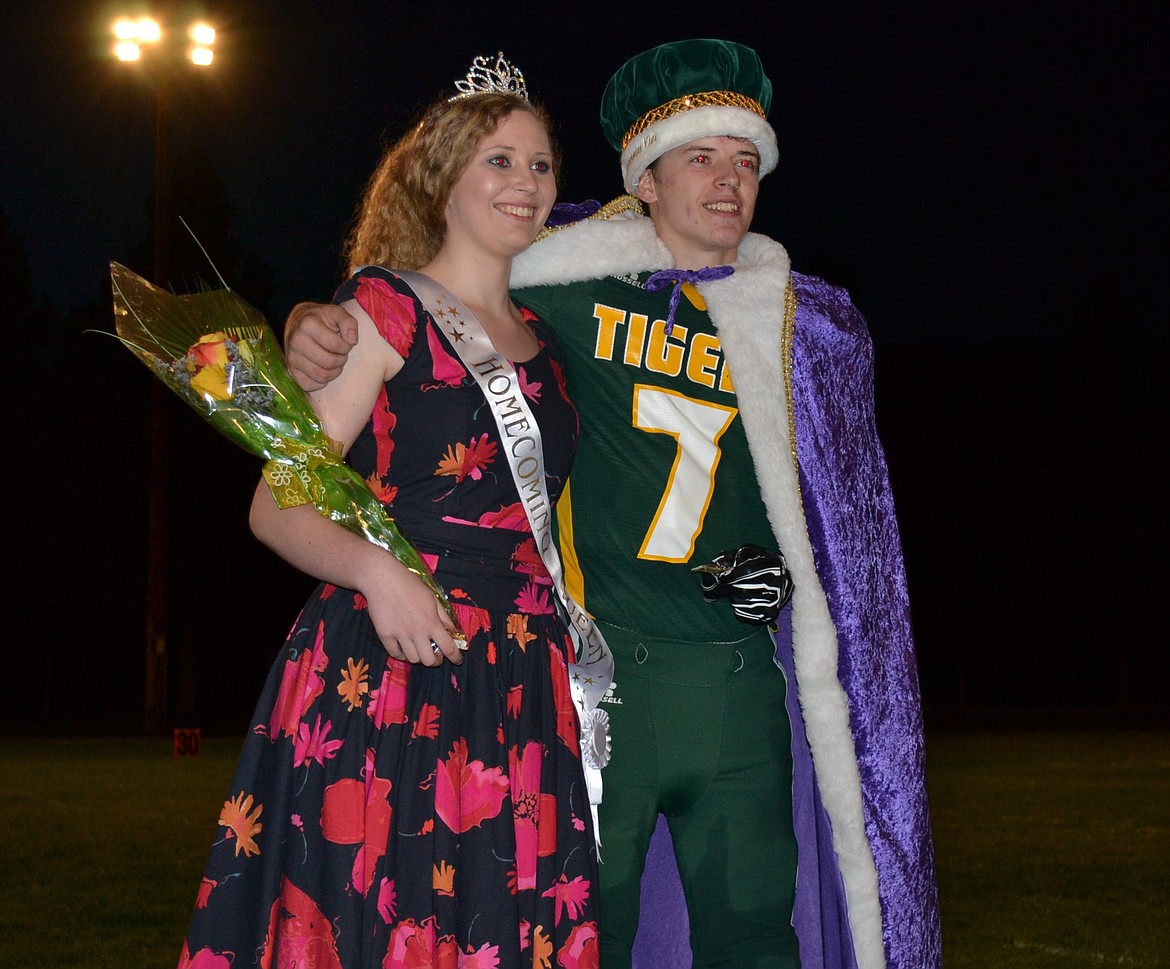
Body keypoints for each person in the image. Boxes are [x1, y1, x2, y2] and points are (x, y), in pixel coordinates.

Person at [286, 40, 941, 969]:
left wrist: (786, 573)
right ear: (645, 177)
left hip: (737, 679)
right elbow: (434, 287)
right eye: (702, 157)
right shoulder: (563, 281)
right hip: (598, 679)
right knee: (579, 935)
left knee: (757, 935)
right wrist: (316, 323)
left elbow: (838, 516)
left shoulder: (797, 323)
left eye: (747, 161)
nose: (728, 182)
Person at [179, 56, 606, 969]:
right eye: (498, 159)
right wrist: (380, 575)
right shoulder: (383, 310)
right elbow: (273, 504)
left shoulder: (552, 350)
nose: (526, 183)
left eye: (539, 164)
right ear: (442, 176)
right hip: (393, 667)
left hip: (519, 681)